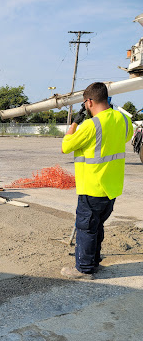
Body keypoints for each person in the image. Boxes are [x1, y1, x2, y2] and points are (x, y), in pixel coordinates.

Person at [61, 82, 133, 279]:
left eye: (85, 103)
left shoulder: (91, 125)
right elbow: (125, 137)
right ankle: (94, 262)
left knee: (86, 229)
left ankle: (84, 269)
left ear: (89, 102)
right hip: (112, 188)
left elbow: (66, 146)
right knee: (97, 227)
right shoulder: (124, 120)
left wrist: (75, 122)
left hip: (92, 187)